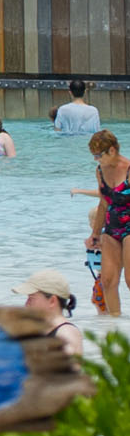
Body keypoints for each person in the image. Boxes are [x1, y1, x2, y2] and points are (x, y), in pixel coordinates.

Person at [78, 130, 130, 316]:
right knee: (107, 280)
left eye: (99, 155)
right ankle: (115, 326)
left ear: (112, 151)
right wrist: (95, 233)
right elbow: (103, 203)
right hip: (111, 228)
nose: (96, 159)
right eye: (94, 155)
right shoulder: (100, 170)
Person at [17, 270, 89, 356]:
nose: (26, 304)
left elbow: (69, 367)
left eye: (31, 298)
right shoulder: (44, 330)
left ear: (52, 301)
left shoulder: (66, 333)